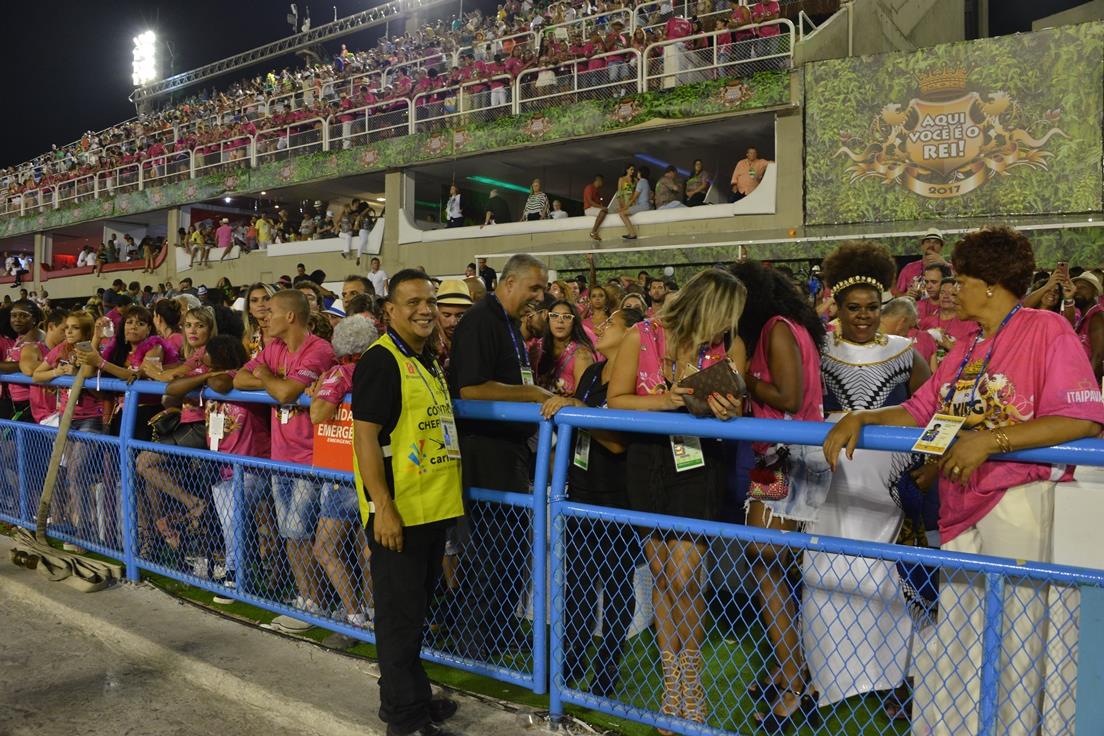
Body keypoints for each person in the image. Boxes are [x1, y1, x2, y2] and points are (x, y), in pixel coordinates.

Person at [824, 226, 1104, 736]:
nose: (952, 290)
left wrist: (990, 442)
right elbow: (919, 410)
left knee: (1016, 635)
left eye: (962, 279)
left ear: (991, 284)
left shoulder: (1045, 329)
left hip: (1017, 502)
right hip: (958, 507)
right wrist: (861, 419)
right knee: (962, 633)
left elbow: (1081, 420)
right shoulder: (968, 345)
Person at [607, 269, 748, 732]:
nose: (728, 325)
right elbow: (617, 399)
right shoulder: (641, 335)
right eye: (726, 315)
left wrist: (730, 410)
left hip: (700, 463)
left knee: (685, 576)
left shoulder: (730, 346)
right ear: (705, 307)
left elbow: (738, 405)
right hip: (647, 461)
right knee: (664, 576)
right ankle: (674, 689)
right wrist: (667, 401)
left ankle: (693, 683)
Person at [800, 242, 933, 720]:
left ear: (883, 307)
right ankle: (825, 674)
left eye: (872, 308)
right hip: (829, 475)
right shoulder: (816, 349)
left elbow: (933, 411)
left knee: (885, 569)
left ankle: (897, 674)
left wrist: (933, 464)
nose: (863, 316)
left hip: (887, 481)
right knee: (826, 566)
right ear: (836, 306)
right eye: (853, 308)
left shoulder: (906, 353)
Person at [353, 269, 465, 736]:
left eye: (430, 301)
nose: (425, 309)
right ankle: (406, 721)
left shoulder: (424, 358)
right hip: (399, 513)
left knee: (414, 616)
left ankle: (409, 697)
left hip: (431, 510)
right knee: (399, 620)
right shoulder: (381, 361)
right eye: (413, 302)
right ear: (390, 310)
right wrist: (383, 506)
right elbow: (365, 437)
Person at [728, 260, 827, 732]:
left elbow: (789, 397)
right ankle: (790, 666)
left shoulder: (776, 328)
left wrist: (740, 377)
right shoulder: (786, 325)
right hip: (779, 456)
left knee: (766, 562)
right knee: (773, 565)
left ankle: (794, 682)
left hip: (788, 456)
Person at [449, 254, 555, 660]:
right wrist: (533, 393)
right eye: (534, 287)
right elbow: (471, 389)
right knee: (491, 551)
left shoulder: (508, 323)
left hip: (509, 450)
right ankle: (473, 641)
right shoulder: (480, 320)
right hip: (485, 450)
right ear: (509, 283)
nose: (539, 296)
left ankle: (497, 632)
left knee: (510, 550)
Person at [539, 306, 647, 698]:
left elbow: (618, 443)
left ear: (632, 333)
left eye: (611, 323)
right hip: (581, 489)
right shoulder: (590, 373)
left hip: (618, 495)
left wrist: (580, 412)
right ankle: (570, 661)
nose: (600, 326)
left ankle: (607, 668)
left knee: (617, 584)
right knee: (578, 584)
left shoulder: (637, 380)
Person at [234, 289, 337, 617]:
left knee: (300, 532)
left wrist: (268, 377)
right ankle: (307, 598)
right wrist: (274, 381)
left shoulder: (319, 349)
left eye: (272, 311)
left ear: (290, 316)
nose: (265, 316)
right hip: (281, 457)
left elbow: (287, 393)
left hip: (310, 457)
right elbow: (239, 379)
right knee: (290, 534)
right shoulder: (274, 347)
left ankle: (319, 601)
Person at [309, 315, 380, 629]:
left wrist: (319, 390)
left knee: (325, 548)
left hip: (344, 472)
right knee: (366, 549)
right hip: (373, 469)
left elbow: (318, 413)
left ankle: (354, 615)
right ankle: (373, 613)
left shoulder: (341, 372)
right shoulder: (380, 369)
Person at [531, 300, 596, 396]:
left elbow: (582, 398)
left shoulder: (582, 355)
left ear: (574, 322)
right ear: (548, 320)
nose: (560, 321)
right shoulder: (537, 348)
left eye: (566, 317)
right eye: (554, 315)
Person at [0, 300, 45, 422]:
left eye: (23, 316)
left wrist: (23, 365)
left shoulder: (36, 337)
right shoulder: (19, 339)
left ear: (34, 319)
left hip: (33, 402)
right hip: (17, 401)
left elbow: (29, 367)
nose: (17, 320)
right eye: (14, 315)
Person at [433, 279, 472, 378]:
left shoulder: (478, 338)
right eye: (446, 315)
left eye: (460, 316)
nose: (453, 322)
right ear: (436, 313)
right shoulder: (428, 343)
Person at [1071, 271, 1104, 382]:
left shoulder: (1097, 317)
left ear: (1095, 292)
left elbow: (1098, 357)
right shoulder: (1084, 316)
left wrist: (1086, 384)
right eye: (1075, 287)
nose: (1077, 290)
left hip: (1086, 385)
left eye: (1083, 287)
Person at [892, 229, 947, 297]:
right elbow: (896, 294)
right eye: (928, 241)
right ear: (922, 246)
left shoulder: (949, 267)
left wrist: (944, 264)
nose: (931, 245)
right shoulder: (909, 268)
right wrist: (906, 295)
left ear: (941, 247)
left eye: (936, 242)